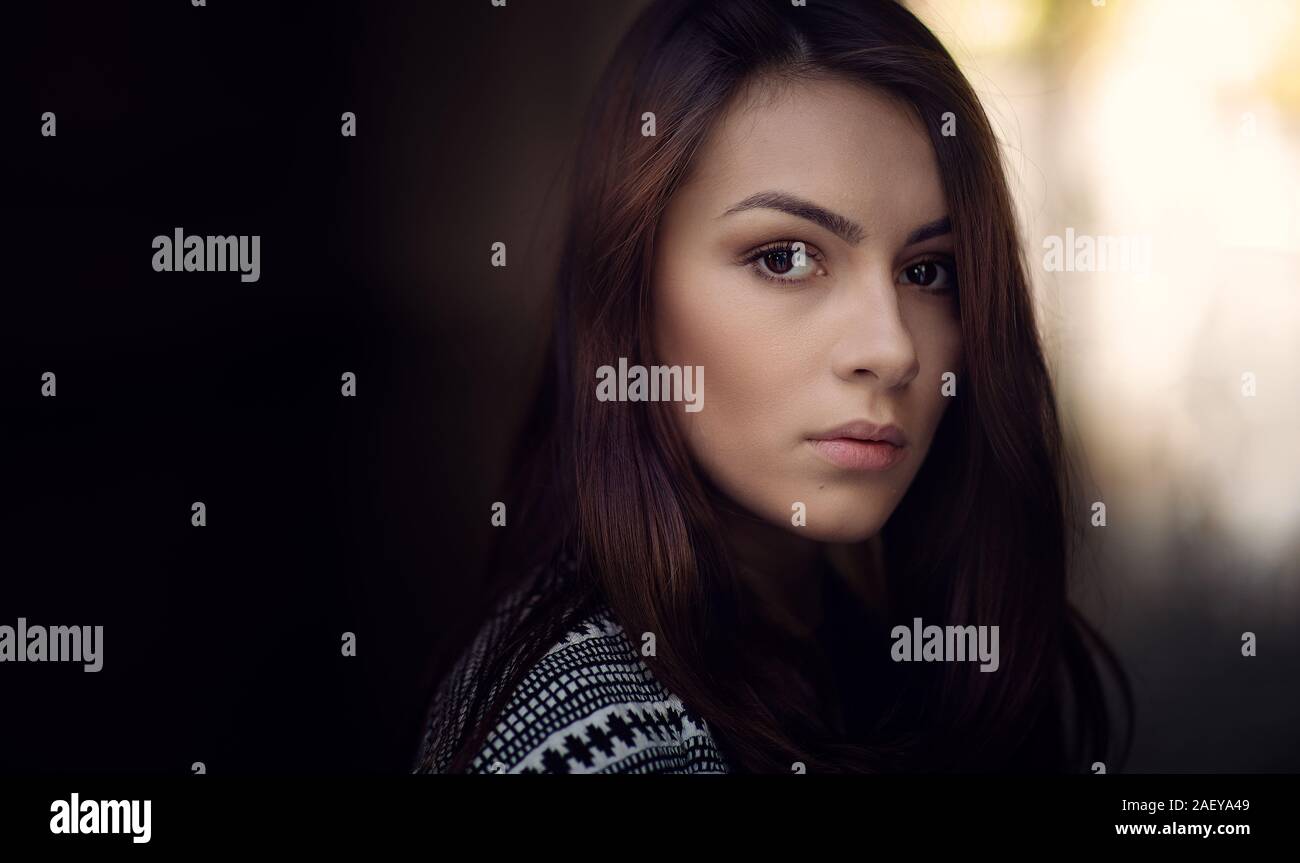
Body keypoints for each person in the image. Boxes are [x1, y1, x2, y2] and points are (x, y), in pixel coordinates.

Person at [413, 0, 1131, 775]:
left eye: (929, 272)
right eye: (786, 257)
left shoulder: (865, 645)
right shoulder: (587, 739)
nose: (892, 351)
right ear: (630, 293)